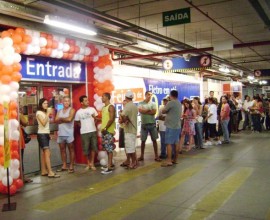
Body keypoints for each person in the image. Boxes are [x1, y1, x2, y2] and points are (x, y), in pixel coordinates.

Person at [36, 98, 60, 178]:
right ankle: (50, 172)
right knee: (47, 153)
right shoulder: (39, 112)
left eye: (47, 103)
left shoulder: (44, 112)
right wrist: (48, 114)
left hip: (45, 134)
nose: (46, 105)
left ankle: (44, 171)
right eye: (44, 103)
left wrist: (48, 133)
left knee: (44, 154)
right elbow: (43, 123)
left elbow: (46, 126)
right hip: (41, 135)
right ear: (41, 105)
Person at [74, 95, 98, 171]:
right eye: (85, 100)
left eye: (87, 100)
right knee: (86, 148)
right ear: (81, 102)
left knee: (93, 147)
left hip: (93, 131)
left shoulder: (92, 109)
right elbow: (77, 121)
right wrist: (82, 126)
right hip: (84, 132)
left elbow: (96, 118)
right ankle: (88, 163)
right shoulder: (78, 112)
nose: (87, 101)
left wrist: (94, 122)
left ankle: (92, 163)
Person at [138, 91, 160, 162]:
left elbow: (154, 112)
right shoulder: (140, 103)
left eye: (150, 95)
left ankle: (156, 156)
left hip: (152, 124)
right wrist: (149, 110)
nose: (149, 96)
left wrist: (145, 111)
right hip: (144, 124)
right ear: (145, 95)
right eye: (148, 95)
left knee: (154, 140)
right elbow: (141, 111)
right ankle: (141, 156)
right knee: (143, 141)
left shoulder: (153, 104)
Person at [55, 97, 75, 173]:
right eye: (65, 101)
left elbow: (70, 119)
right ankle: (64, 165)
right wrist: (64, 119)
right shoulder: (59, 111)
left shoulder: (72, 110)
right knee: (62, 150)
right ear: (62, 102)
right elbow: (56, 120)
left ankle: (71, 165)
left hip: (69, 133)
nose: (66, 102)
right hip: (61, 133)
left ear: (70, 102)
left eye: (68, 101)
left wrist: (61, 119)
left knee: (71, 149)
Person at [161, 90, 181, 167]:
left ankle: (169, 160)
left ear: (171, 95)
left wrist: (166, 105)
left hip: (171, 126)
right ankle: (175, 159)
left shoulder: (171, 102)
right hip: (177, 126)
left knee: (168, 143)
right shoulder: (178, 103)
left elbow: (163, 111)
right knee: (176, 143)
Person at [120, 91, 138, 169]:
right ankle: (131, 161)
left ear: (126, 97)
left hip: (129, 130)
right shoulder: (134, 106)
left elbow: (123, 116)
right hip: (133, 130)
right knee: (131, 147)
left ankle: (133, 162)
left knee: (130, 148)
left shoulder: (127, 106)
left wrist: (122, 119)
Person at [100, 93, 116, 174]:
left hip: (108, 131)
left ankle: (109, 167)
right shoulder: (104, 108)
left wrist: (106, 128)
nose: (101, 98)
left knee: (109, 149)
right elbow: (104, 118)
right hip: (104, 131)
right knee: (107, 148)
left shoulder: (111, 107)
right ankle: (109, 165)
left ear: (106, 97)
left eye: (102, 96)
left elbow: (111, 119)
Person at [19, 112, 33, 183]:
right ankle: (22, 176)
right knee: (20, 159)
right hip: (18, 139)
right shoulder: (18, 114)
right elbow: (25, 123)